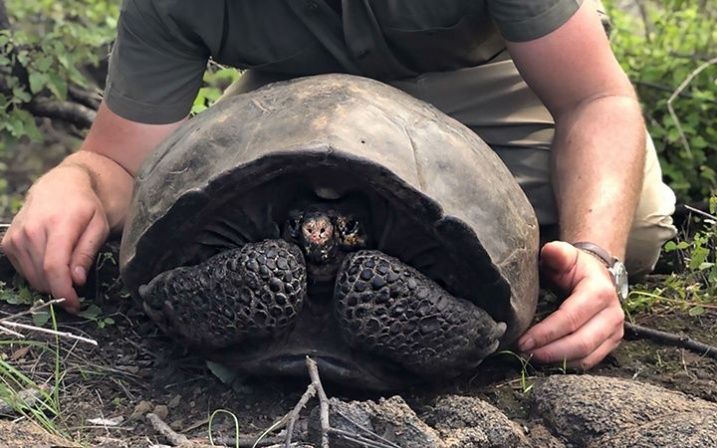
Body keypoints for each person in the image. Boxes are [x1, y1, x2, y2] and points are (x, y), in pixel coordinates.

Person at [1, 0, 676, 370]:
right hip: (295, 94)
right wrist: (76, 179)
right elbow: (118, 162)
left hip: (486, 80)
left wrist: (596, 255)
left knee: (632, 227)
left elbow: (593, 101)